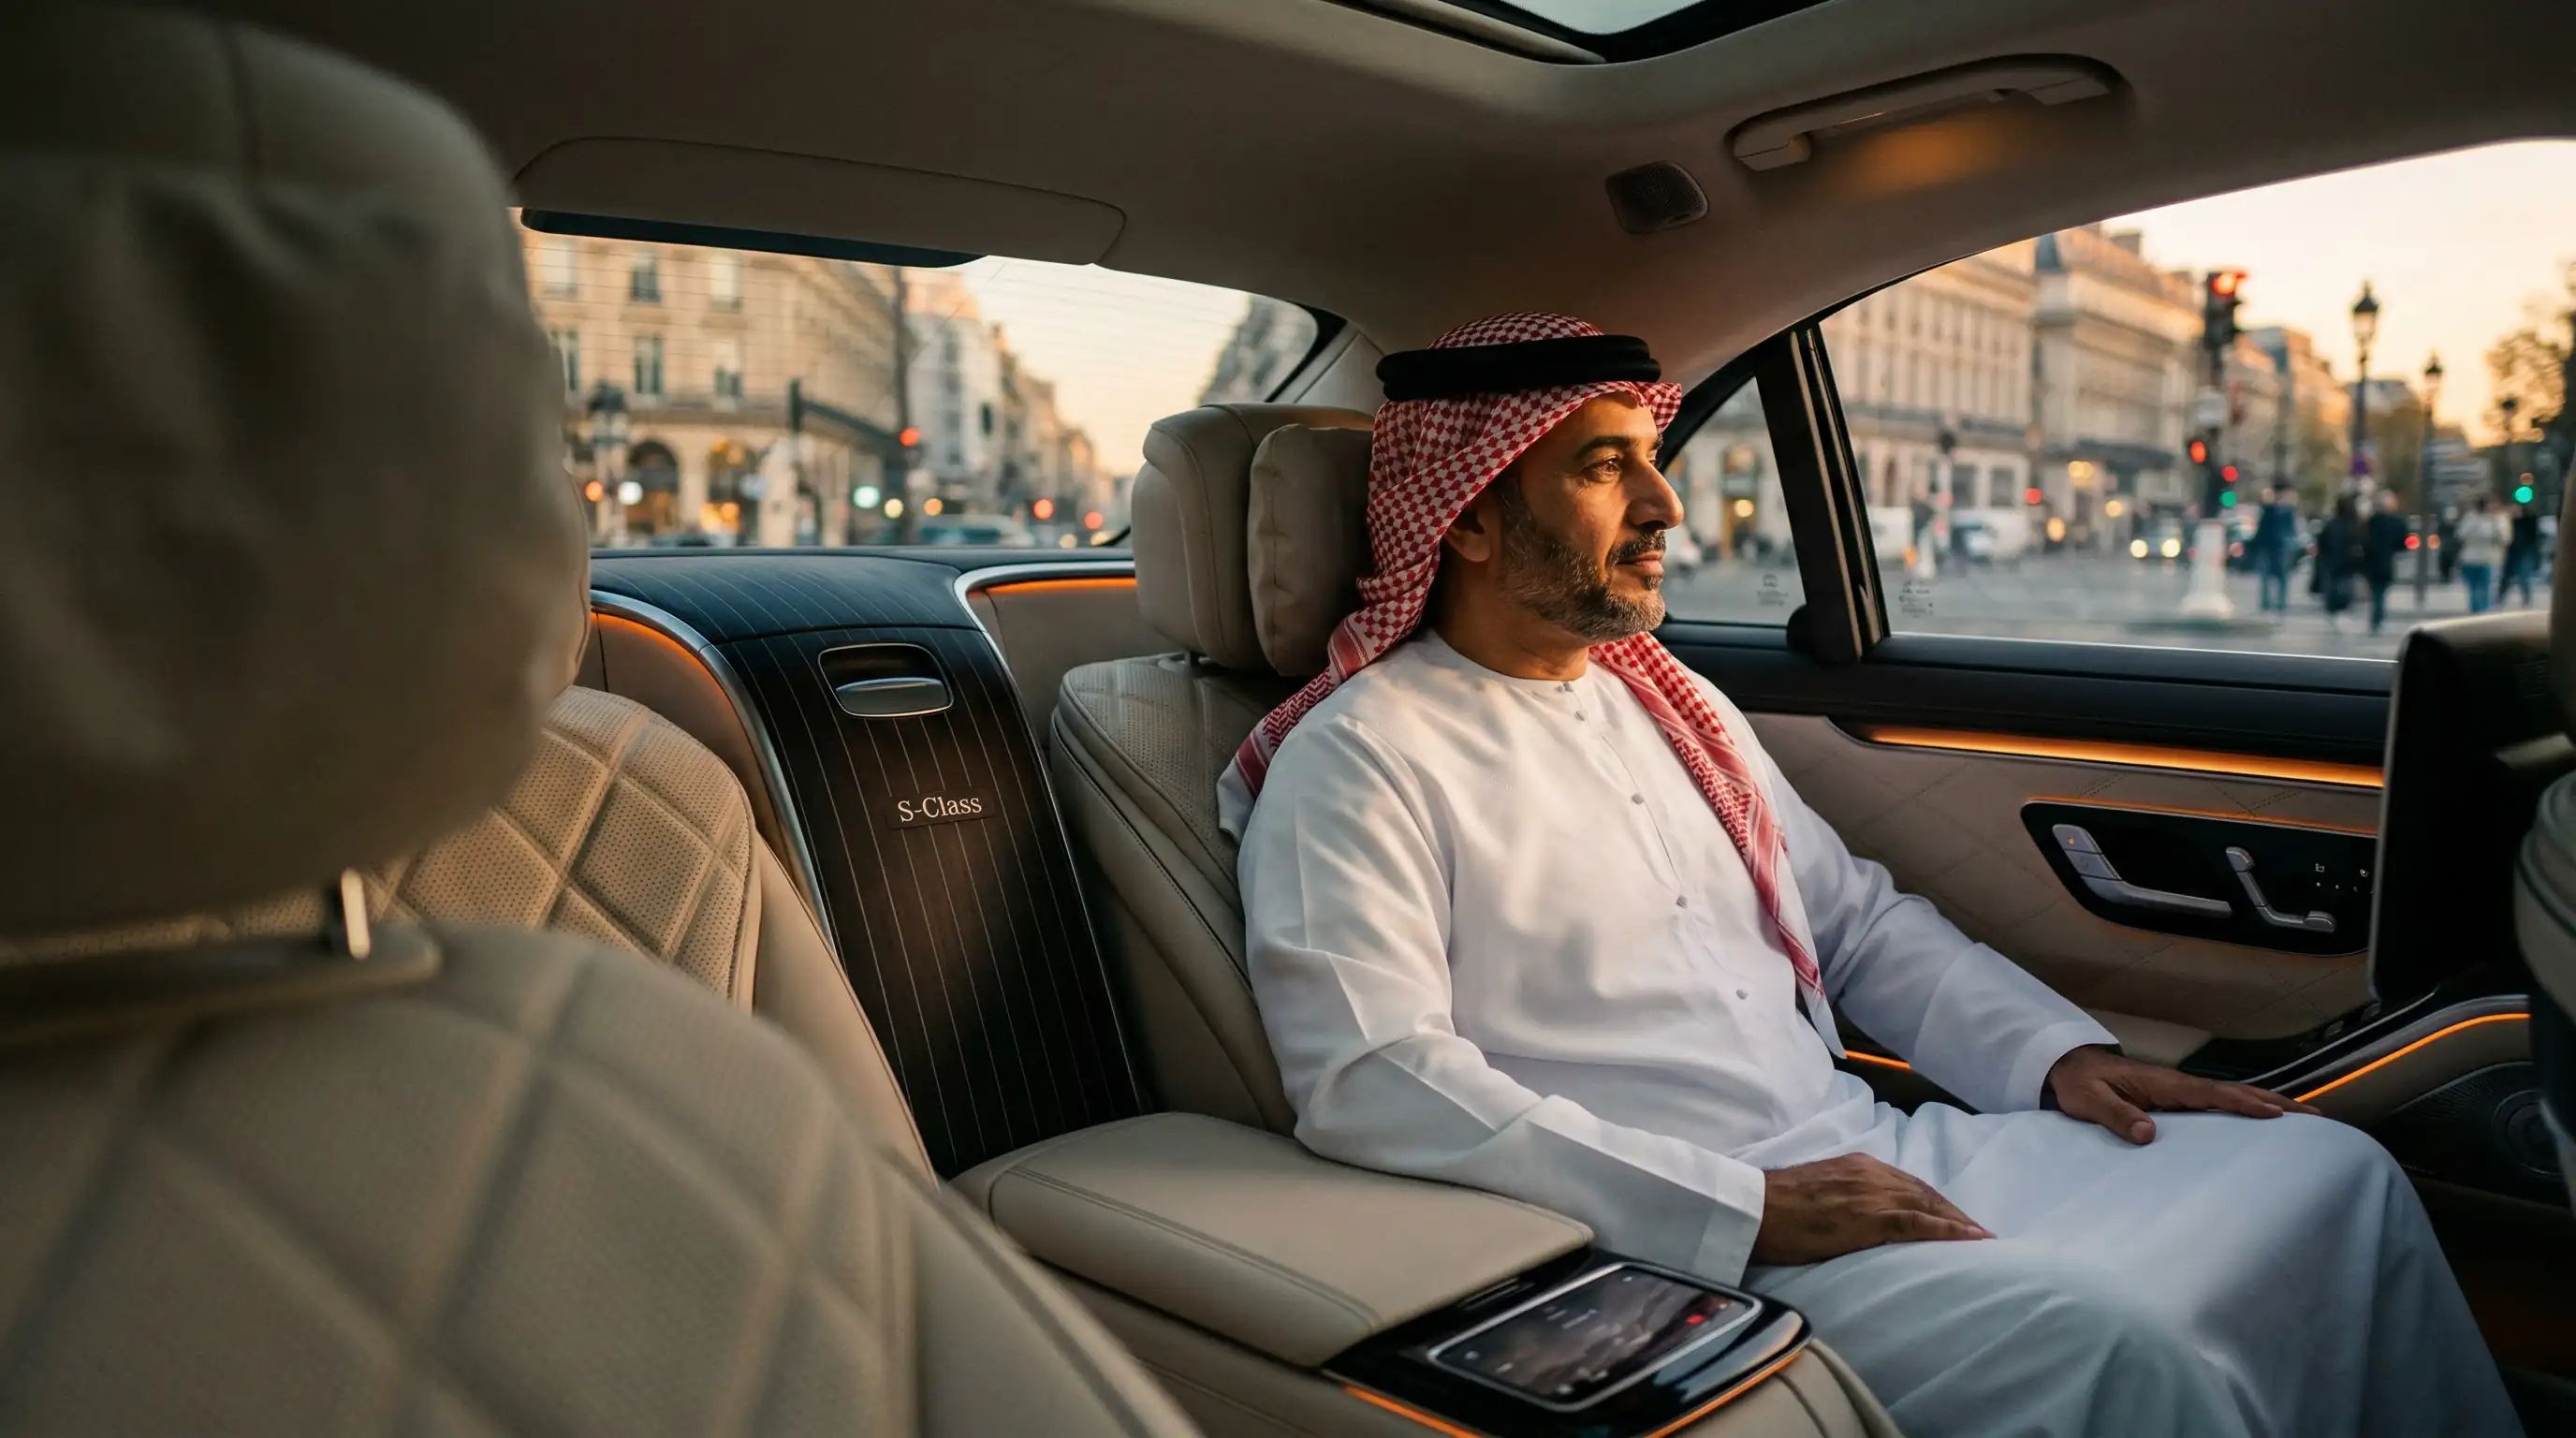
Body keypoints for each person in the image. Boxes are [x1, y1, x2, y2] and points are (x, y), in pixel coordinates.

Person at [1227, 314, 2516, 1438]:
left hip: (1873, 1157)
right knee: (2120, 1345)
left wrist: (2058, 1061)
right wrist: (1744, 1210)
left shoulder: (1672, 711)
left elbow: (1855, 926)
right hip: (1679, 1244)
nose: (1665, 505)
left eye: (1651, 461)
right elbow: (1372, 1081)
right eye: (1605, 468)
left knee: (2329, 1173)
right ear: (1468, 520)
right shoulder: (1360, 759)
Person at [2360, 489, 2411, 635]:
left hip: (2372, 562)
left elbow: (2364, 540)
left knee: (2376, 591)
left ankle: (2376, 616)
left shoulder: (2371, 521)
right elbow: (2403, 543)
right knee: (2380, 591)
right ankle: (2378, 616)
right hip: (2387, 561)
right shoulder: (2397, 522)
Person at [2313, 494, 2361, 628]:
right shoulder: (2353, 524)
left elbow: (2322, 541)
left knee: (2332, 585)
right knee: (2345, 585)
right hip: (2347, 562)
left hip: (2331, 560)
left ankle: (2333, 610)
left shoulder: (2331, 524)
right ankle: (2342, 608)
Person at [2456, 494, 2509, 614]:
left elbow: (2505, 538)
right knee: (2474, 589)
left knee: (2486, 589)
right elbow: (2461, 534)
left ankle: (2483, 612)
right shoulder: (2471, 517)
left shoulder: (2500, 519)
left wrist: (2495, 523)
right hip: (2470, 559)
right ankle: (2475, 612)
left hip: (2490, 559)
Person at [2249, 485, 2299, 611]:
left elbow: (2262, 529)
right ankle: (2280, 602)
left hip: (2269, 546)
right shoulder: (2288, 511)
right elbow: (2292, 531)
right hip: (2281, 546)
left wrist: (2255, 543)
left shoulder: (2269, 510)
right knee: (2281, 577)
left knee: (2267, 576)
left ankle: (2267, 601)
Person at [2505, 501, 2542, 607]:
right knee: (2506, 577)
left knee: (2523, 576)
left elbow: (2533, 537)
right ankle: (2500, 597)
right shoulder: (2510, 521)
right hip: (2512, 552)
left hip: (2525, 552)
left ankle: (2526, 597)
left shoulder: (2529, 521)